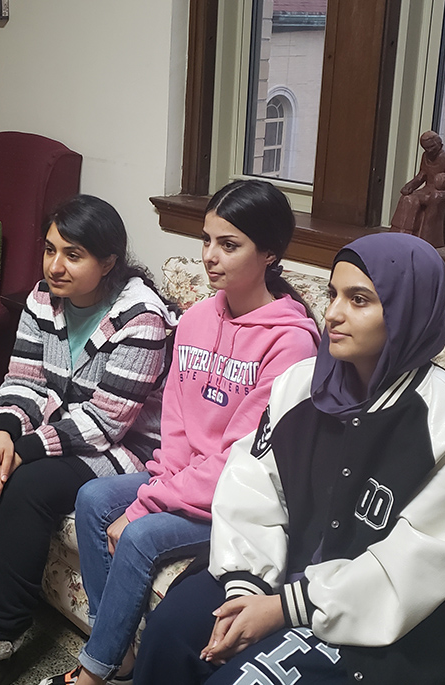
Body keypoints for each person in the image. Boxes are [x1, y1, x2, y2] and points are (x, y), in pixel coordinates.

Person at [132, 232, 445, 685]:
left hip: (382, 612)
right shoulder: (300, 384)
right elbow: (253, 486)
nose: (334, 314)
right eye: (333, 294)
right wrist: (248, 586)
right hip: (277, 566)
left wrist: (285, 608)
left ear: (406, 313)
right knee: (170, 633)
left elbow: (419, 560)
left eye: (360, 299)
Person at [41, 179, 320, 685]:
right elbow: (175, 420)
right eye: (207, 240)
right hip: (188, 480)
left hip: (241, 502)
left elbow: (244, 461)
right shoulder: (193, 321)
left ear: (270, 255)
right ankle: (117, 654)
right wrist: (160, 482)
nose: (210, 257)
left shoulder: (293, 346)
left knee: (140, 536)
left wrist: (149, 505)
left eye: (229, 245)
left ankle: (95, 673)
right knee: (93, 497)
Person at [0, 194, 180, 685]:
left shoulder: (142, 317)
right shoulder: (41, 297)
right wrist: (3, 431)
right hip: (61, 425)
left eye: (73, 255)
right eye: (50, 249)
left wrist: (21, 448)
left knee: (26, 485)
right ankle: (2, 580)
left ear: (108, 262)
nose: (55, 265)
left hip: (125, 449)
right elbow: (24, 379)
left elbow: (107, 422)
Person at [389, 130, 445, 247]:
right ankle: (403, 233)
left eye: (432, 147)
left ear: (440, 145)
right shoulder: (425, 157)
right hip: (426, 189)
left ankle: (427, 239)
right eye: (426, 148)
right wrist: (410, 186)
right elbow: (421, 175)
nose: (429, 150)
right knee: (408, 199)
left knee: (435, 197)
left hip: (439, 191)